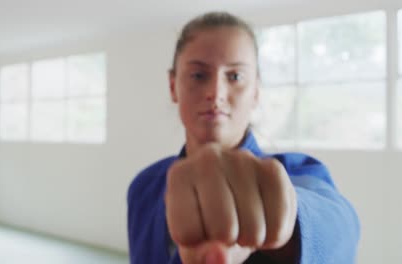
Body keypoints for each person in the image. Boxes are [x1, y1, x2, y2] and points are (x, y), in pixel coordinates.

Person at [127, 11, 360, 264]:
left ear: (256, 91)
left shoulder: (296, 173)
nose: (216, 93)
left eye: (235, 76)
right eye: (198, 75)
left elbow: (340, 227)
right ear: (173, 86)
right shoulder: (144, 187)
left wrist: (284, 220)